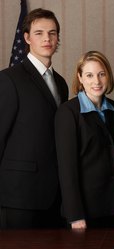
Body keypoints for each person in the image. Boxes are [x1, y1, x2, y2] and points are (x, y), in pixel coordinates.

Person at [0, 8, 68, 228]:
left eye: (52, 33)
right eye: (39, 33)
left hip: (55, 196)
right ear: (27, 38)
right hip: (19, 195)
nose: (47, 38)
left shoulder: (61, 83)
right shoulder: (9, 79)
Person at [55, 51, 114, 229]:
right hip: (84, 213)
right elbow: (66, 169)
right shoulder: (68, 112)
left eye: (102, 74)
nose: (97, 81)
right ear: (80, 77)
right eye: (89, 75)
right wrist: (75, 215)